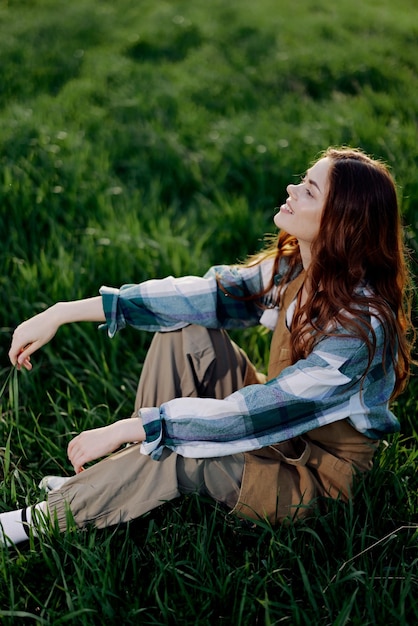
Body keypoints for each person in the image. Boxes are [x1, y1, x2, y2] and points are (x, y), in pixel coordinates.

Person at [1, 147, 413, 547]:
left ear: (342, 221)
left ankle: (34, 521)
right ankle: (113, 482)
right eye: (302, 182)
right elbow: (201, 296)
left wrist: (138, 426)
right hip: (276, 434)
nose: (291, 189)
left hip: (312, 477)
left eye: (309, 190)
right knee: (186, 330)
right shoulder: (297, 267)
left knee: (184, 450)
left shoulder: (360, 332)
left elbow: (256, 414)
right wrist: (62, 311)